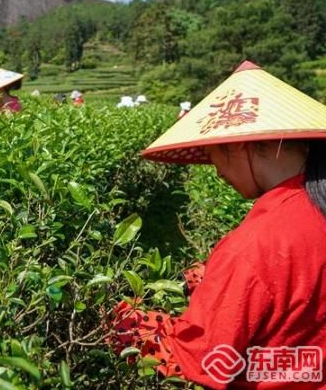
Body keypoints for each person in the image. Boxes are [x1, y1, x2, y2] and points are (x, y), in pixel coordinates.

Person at [110, 60, 326, 389]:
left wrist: (126, 324)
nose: (216, 171)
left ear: (239, 144)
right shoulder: (311, 208)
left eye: (212, 154)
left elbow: (204, 357)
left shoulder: (255, 244)